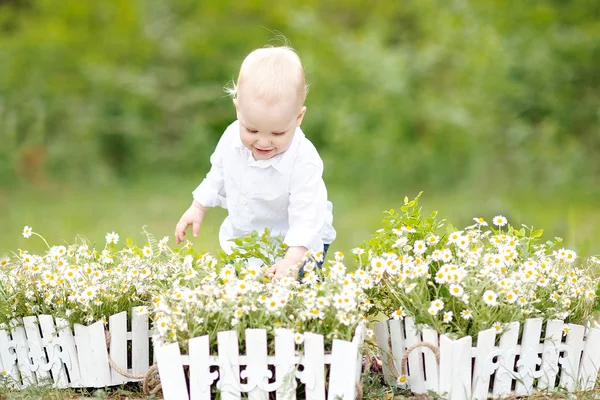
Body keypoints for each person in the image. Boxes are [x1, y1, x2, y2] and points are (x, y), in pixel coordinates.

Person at [174, 45, 336, 278]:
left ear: (298, 117)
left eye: (278, 134)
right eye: (252, 129)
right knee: (241, 296)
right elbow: (219, 172)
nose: (263, 142)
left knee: (294, 298)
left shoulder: (303, 161)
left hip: (296, 243)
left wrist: (292, 259)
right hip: (244, 239)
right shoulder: (231, 137)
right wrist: (198, 207)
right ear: (238, 109)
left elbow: (307, 215)